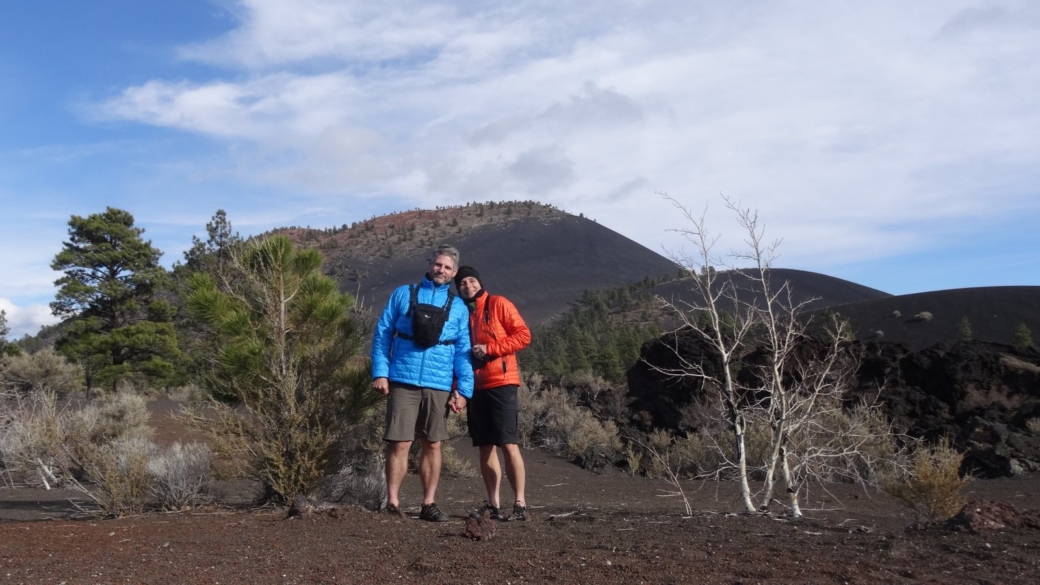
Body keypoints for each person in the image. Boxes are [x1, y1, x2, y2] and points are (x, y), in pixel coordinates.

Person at [371, 244, 473, 522]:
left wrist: (463, 390)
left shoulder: (459, 307)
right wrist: (380, 372)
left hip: (439, 384)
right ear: (430, 264)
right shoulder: (403, 294)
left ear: (453, 273)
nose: (441, 270)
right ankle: (391, 502)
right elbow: (382, 334)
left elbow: (463, 349)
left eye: (447, 267)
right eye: (438, 264)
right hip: (402, 378)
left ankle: (428, 503)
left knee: (433, 444)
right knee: (400, 443)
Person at [454, 265, 532, 521]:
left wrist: (491, 348)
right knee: (485, 446)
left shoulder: (498, 304)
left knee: (508, 443)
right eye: (463, 282)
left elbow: (523, 335)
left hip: (502, 382)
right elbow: (457, 355)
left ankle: (520, 503)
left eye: (472, 280)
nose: (468, 286)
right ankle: (493, 504)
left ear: (480, 282)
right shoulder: (461, 314)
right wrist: (458, 389)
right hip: (475, 387)